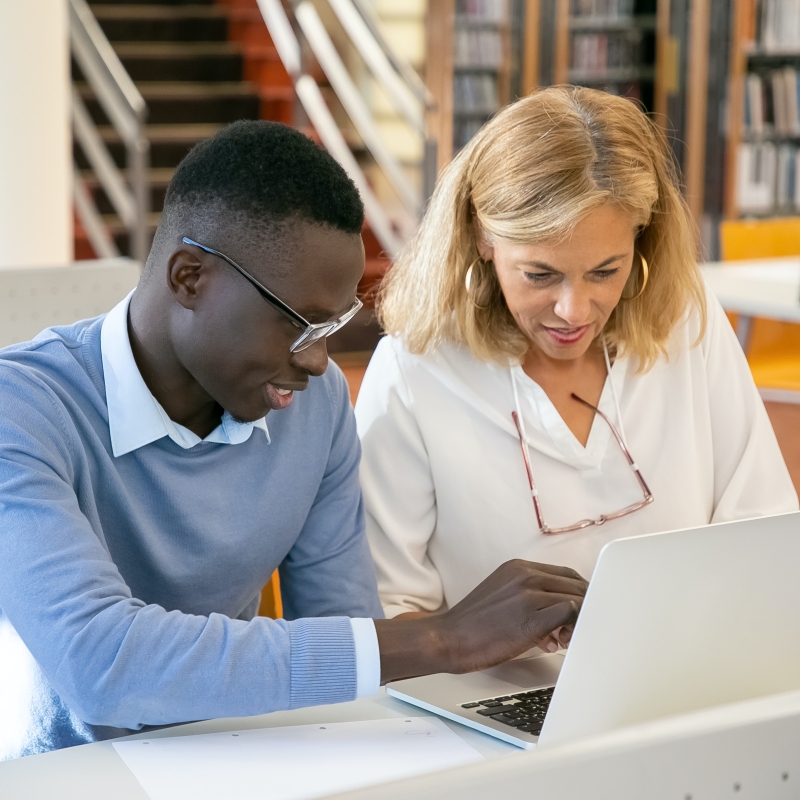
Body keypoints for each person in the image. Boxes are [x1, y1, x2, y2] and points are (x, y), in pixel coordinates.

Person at [0, 121, 587, 761]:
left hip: (243, 760)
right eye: (297, 323)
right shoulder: (21, 410)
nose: (317, 362)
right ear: (188, 278)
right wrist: (443, 638)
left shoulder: (315, 403)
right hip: (62, 774)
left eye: (331, 325)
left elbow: (345, 649)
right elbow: (102, 664)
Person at [354, 86, 799, 623]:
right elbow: (388, 613)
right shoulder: (413, 371)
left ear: (642, 235)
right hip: (488, 694)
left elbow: (763, 530)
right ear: (482, 236)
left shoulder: (686, 318)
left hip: (687, 678)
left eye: (605, 272)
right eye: (540, 275)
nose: (574, 310)